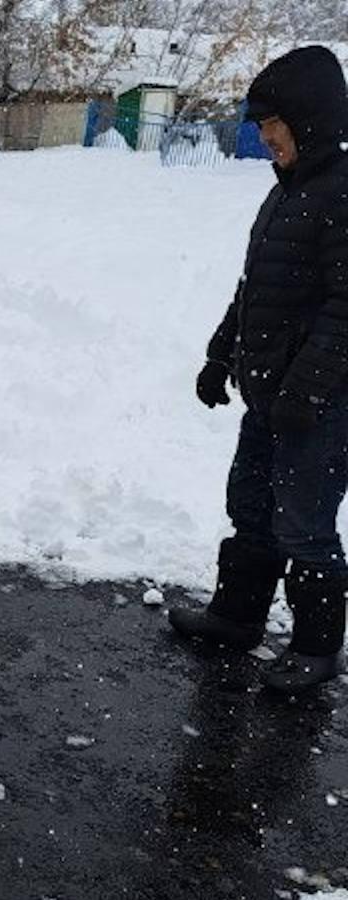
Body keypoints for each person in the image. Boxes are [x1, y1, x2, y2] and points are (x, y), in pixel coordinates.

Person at [169, 45, 348, 693]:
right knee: (250, 504)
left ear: (311, 120)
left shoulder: (340, 196)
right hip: (268, 395)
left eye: (274, 125)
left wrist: (307, 390)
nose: (267, 137)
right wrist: (221, 355)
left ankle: (316, 648)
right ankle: (237, 616)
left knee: (303, 521)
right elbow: (254, 289)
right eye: (263, 127)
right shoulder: (286, 193)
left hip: (321, 405)